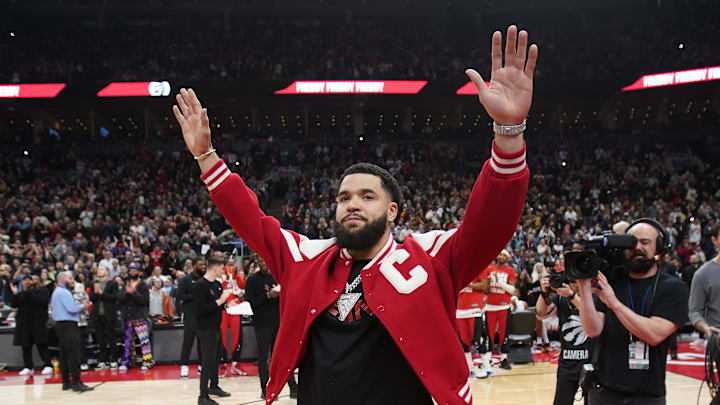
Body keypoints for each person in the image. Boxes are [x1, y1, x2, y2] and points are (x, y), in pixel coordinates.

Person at [173, 24, 535, 405]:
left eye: (367, 196)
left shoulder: (430, 257)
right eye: (344, 198)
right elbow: (252, 220)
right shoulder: (306, 259)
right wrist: (206, 157)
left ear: (392, 210)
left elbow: (490, 225)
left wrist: (508, 134)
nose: (352, 204)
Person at [577, 218, 689, 404]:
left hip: (647, 395)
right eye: (632, 242)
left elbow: (655, 334)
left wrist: (615, 304)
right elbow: (593, 329)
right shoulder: (611, 281)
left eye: (645, 242)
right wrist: (584, 286)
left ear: (659, 247)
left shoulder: (674, 288)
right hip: (604, 391)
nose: (638, 247)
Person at [245, 256, 298, 400]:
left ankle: (293, 387)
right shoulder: (252, 280)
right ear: (257, 263)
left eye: (266, 262)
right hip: (262, 324)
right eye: (261, 262)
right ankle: (265, 390)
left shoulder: (277, 276)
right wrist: (268, 295)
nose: (264, 264)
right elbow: (250, 303)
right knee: (263, 358)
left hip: (278, 322)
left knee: (282, 356)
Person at [536, 274, 590, 405]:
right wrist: (544, 293)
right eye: (572, 280)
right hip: (567, 364)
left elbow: (590, 315)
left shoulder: (594, 296)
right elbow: (540, 315)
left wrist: (572, 296)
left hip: (591, 364)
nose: (575, 283)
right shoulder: (561, 298)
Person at [194, 253, 232, 405]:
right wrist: (220, 301)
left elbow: (219, 305)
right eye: (222, 268)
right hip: (205, 329)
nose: (224, 271)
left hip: (216, 327)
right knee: (207, 361)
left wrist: (228, 305)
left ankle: (214, 386)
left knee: (216, 358)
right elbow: (201, 309)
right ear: (215, 268)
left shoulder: (217, 284)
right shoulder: (200, 285)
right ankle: (202, 396)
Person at [50, 271, 93, 392]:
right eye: (70, 278)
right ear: (62, 279)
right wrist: (83, 306)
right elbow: (72, 308)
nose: (72, 280)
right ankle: (77, 382)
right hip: (68, 325)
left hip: (60, 325)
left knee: (64, 355)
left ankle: (66, 382)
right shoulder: (64, 292)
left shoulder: (56, 292)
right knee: (74, 354)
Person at [480, 249, 517, 371]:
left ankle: (503, 359)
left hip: (504, 306)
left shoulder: (510, 270)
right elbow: (484, 289)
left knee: (504, 335)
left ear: (507, 258)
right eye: (500, 254)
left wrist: (499, 282)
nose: (501, 256)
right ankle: (488, 359)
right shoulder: (489, 269)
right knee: (489, 334)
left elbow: (512, 290)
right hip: (490, 306)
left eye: (504, 255)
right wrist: (488, 284)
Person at [11, 275, 53, 376]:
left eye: (31, 279)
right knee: (25, 346)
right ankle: (28, 366)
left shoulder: (43, 291)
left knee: (41, 344)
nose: (29, 282)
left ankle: (47, 364)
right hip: (24, 323)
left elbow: (40, 301)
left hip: (37, 322)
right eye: (26, 280)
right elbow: (14, 305)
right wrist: (15, 294)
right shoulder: (21, 293)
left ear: (38, 281)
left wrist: (26, 291)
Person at [119, 264, 155, 371]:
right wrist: (127, 293)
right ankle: (126, 361)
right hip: (128, 318)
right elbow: (120, 299)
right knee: (127, 341)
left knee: (144, 341)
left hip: (139, 316)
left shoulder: (143, 285)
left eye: (135, 270)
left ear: (139, 272)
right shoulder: (126, 284)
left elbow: (144, 301)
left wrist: (134, 293)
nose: (132, 272)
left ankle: (148, 361)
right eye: (131, 270)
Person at [689, 222, 720, 338]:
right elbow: (695, 311)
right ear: (714, 240)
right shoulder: (703, 274)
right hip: (717, 340)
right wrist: (706, 327)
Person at [456, 272, 488, 378]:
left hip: (474, 307)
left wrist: (466, 284)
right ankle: (469, 369)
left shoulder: (479, 268)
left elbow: (484, 285)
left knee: (477, 339)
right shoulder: (457, 271)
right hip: (460, 309)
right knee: (464, 342)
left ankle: (486, 366)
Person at [178, 257, 206, 378]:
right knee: (187, 342)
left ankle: (201, 367)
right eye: (200, 265)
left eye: (204, 265)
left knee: (202, 342)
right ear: (194, 266)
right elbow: (180, 296)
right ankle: (184, 367)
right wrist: (196, 296)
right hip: (190, 315)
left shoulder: (205, 280)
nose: (203, 267)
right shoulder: (185, 280)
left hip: (204, 315)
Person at [219, 259, 247, 377]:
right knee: (222, 337)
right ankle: (222, 364)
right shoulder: (220, 273)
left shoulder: (238, 273)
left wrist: (236, 276)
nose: (231, 264)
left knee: (237, 337)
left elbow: (242, 287)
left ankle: (235, 364)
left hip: (236, 307)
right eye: (229, 263)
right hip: (224, 309)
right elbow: (219, 288)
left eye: (233, 263)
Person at [90, 265, 121, 369]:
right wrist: (95, 292)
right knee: (100, 338)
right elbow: (92, 298)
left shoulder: (112, 283)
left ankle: (114, 359)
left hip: (109, 314)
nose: (99, 270)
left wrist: (101, 293)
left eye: (102, 269)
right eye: (98, 269)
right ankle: (103, 359)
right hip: (97, 314)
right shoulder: (94, 283)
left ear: (107, 272)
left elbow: (115, 297)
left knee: (111, 338)